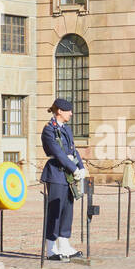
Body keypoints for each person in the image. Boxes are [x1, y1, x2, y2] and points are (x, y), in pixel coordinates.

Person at [41, 98, 86, 260]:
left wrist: (81, 166)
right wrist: (73, 168)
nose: (71, 114)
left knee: (68, 208)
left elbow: (73, 150)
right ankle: (51, 248)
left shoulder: (66, 129)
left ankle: (64, 244)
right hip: (56, 173)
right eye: (68, 110)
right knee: (55, 210)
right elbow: (58, 153)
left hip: (68, 174)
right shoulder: (49, 130)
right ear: (59, 111)